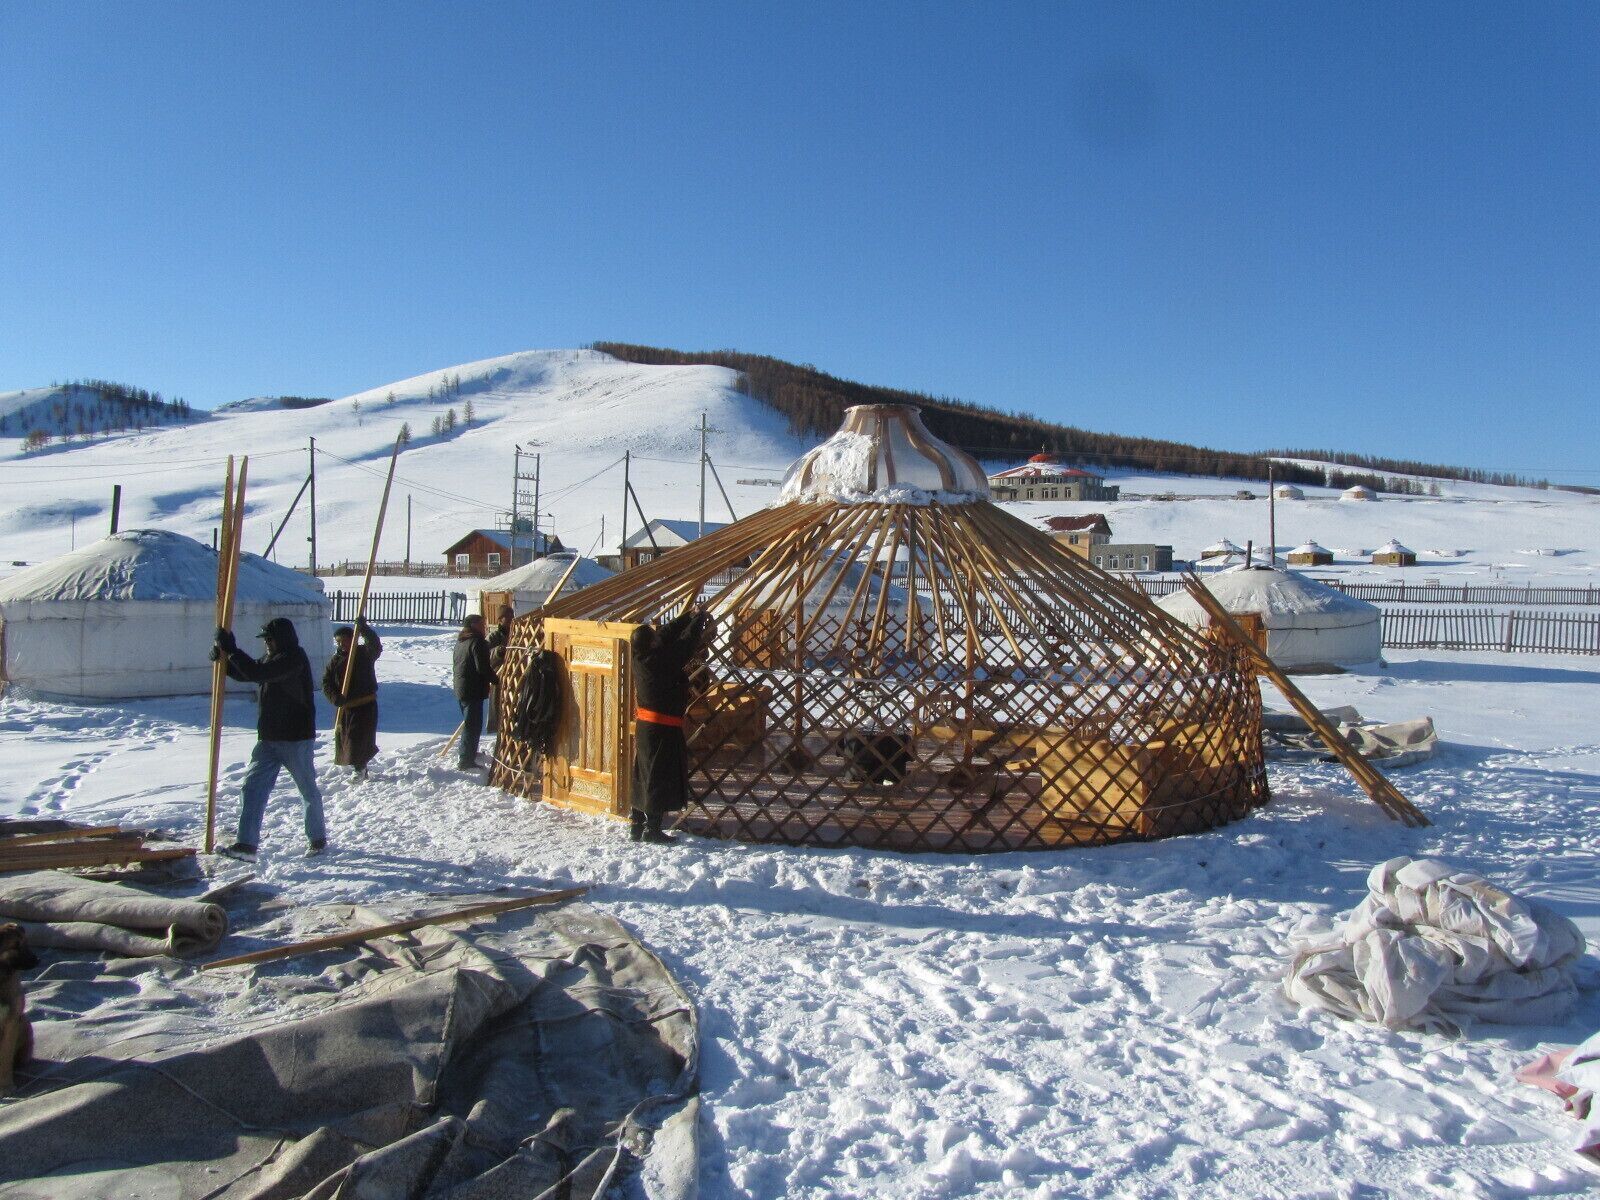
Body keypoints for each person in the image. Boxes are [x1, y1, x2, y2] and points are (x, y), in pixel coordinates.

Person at [213, 616, 326, 860]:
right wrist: (225, 662)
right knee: (252, 788)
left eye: (270, 639)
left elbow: (259, 672)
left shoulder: (294, 658)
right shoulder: (273, 658)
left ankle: (317, 838)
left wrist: (233, 651)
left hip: (295, 738)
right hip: (269, 738)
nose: (267, 644)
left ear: (281, 639)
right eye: (265, 640)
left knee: (307, 789)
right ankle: (246, 845)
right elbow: (249, 672)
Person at [629, 606, 716, 844]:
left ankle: (636, 824)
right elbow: (685, 645)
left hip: (646, 727)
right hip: (662, 729)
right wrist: (697, 620)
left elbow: (666, 634)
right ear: (652, 644)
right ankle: (653, 830)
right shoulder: (661, 663)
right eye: (655, 638)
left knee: (643, 773)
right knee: (659, 774)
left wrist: (687, 616)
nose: (659, 637)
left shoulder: (640, 656)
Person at [322, 619, 383, 780]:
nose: (341, 645)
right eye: (338, 642)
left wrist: (364, 629)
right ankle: (359, 767)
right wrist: (335, 698)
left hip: (365, 705)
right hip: (345, 707)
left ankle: (360, 769)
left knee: (359, 739)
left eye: (344, 641)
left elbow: (376, 646)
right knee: (347, 740)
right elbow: (326, 682)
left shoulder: (364, 654)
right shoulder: (335, 661)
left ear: (353, 639)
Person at [452, 613, 494, 770]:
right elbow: (482, 667)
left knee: (469, 724)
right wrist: (496, 680)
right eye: (482, 624)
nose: (484, 627)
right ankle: (465, 760)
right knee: (472, 725)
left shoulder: (461, 641)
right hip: (473, 689)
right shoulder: (477, 642)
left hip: (461, 688)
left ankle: (468, 754)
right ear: (474, 625)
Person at [485, 604, 514, 734]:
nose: (510, 620)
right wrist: (498, 652)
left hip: (514, 676)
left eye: (512, 617)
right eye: (507, 618)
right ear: (500, 619)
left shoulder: (516, 634)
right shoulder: (493, 636)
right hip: (499, 677)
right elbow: (486, 656)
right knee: (499, 709)